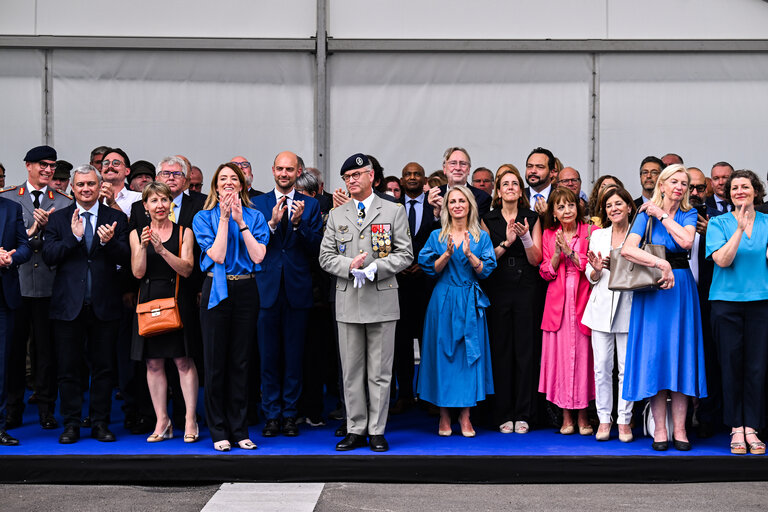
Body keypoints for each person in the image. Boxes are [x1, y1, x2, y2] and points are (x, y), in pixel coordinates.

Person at [318, 153, 413, 452]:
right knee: (352, 370)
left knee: (380, 371)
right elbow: (325, 257)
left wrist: (376, 268)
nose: (351, 180)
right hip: (349, 301)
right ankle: (355, 427)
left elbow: (405, 254)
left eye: (357, 175)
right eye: (347, 177)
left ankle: (377, 429)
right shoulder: (337, 215)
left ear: (372, 176)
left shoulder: (393, 211)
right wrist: (348, 265)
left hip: (381, 297)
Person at [621, 164, 706, 451]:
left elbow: (686, 241)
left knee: (680, 357)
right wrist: (660, 263)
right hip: (654, 288)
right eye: (675, 181)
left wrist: (663, 216)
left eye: (685, 183)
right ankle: (659, 429)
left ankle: (680, 429)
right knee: (657, 357)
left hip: (681, 290)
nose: (681, 187)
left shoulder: (689, 213)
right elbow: (627, 249)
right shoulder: (643, 213)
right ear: (662, 184)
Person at [42, 165, 130, 444]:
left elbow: (128, 256)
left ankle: (100, 422)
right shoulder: (58, 219)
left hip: (105, 305)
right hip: (69, 307)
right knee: (69, 368)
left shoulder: (115, 217)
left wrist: (109, 243)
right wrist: (75, 237)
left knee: (104, 369)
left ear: (99, 184)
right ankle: (71, 423)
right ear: (73, 188)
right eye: (80, 185)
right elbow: (49, 256)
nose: (86, 189)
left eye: (91, 184)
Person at [193, 163, 269, 451]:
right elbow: (218, 255)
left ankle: (240, 429)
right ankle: (218, 430)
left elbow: (259, 256)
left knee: (241, 362)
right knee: (215, 363)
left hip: (247, 289)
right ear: (215, 186)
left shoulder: (255, 216)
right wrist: (224, 219)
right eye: (222, 178)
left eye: (233, 179)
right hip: (216, 288)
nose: (228, 182)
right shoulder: (203, 217)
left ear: (242, 185)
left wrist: (240, 221)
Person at [0, 145, 72, 432]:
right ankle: (12, 410)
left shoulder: (65, 202)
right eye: (42, 164)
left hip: (49, 287)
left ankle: (46, 408)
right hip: (15, 286)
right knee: (13, 353)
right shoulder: (8, 198)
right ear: (28, 165)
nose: (48, 170)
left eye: (52, 166)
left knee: (47, 353)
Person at [251, 151, 323, 437]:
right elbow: (253, 247)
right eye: (279, 169)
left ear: (298, 172)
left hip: (297, 289)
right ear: (272, 170)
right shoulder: (257, 204)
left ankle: (291, 414)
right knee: (268, 356)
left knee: (294, 357)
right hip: (266, 288)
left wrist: (297, 225)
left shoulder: (312, 205)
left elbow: (317, 248)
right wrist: (271, 223)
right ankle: (271, 415)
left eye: (289, 169)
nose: (284, 173)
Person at [418, 185, 496, 437]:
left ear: (470, 205)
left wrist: (470, 255)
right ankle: (443, 416)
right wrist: (448, 254)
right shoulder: (436, 236)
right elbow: (430, 269)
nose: (458, 205)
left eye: (462, 201)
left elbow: (486, 270)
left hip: (469, 302)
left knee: (467, 358)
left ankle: (465, 417)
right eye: (453, 201)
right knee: (443, 357)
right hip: (443, 301)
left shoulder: (481, 236)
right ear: (446, 207)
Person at [129, 182, 199, 444]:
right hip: (148, 300)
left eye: (164, 200)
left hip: (177, 300)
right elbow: (137, 272)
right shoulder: (137, 233)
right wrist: (144, 247)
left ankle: (190, 419)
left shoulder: (184, 233)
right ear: (145, 206)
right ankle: (162, 420)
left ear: (171, 204)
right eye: (154, 201)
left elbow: (187, 269)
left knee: (183, 361)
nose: (160, 205)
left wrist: (161, 250)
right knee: (153, 363)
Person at [706, 170, 768, 455]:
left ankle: (752, 427)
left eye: (745, 186)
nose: (739, 191)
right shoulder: (718, 223)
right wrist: (740, 229)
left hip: (761, 302)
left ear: (756, 191)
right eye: (734, 188)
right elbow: (722, 260)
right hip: (725, 303)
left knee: (756, 367)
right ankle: (735, 428)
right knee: (730, 366)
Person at [481, 166, 541, 434]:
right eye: (505, 183)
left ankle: (524, 413)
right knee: (501, 349)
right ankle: (503, 412)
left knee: (526, 351)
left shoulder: (532, 216)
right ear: (498, 189)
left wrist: (525, 237)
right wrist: (507, 241)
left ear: (520, 190)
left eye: (515, 183)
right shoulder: (488, 219)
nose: (510, 187)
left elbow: (537, 259)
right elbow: (486, 260)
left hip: (527, 286)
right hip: (498, 286)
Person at [538, 187, 596, 436]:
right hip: (558, 305)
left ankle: (584, 415)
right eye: (560, 206)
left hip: (583, 299)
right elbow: (545, 272)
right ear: (553, 212)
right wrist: (558, 253)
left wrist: (570, 252)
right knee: (561, 361)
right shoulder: (550, 234)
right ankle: (566, 416)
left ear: (578, 206)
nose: (567, 210)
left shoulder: (591, 231)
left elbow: (591, 265)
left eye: (570, 205)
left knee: (584, 358)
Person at [582, 187, 636, 442]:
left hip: (630, 307)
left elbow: (644, 273)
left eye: (618, 204)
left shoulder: (638, 236)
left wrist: (618, 266)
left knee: (626, 369)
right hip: (601, 307)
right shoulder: (598, 236)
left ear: (628, 206)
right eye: (608, 206)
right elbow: (591, 276)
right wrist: (594, 270)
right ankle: (604, 419)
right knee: (602, 367)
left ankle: (625, 421)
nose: (613, 209)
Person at [391, 162, 435, 415]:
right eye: (407, 174)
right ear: (402, 178)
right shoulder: (392, 207)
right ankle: (405, 394)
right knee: (401, 344)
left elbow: (441, 236)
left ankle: (428, 396)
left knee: (428, 341)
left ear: (424, 178)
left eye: (417, 174)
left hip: (428, 284)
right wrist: (398, 266)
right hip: (398, 285)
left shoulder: (435, 205)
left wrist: (424, 265)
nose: (412, 177)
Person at [0, 196, 32, 446]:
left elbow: (25, 246)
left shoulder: (11, 208)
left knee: (2, 366)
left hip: (4, 298)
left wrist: (11, 257)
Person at [427, 147, 492, 218]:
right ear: (444, 169)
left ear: (469, 170)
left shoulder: (483, 197)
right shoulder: (433, 195)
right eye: (453, 163)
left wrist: (445, 209)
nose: (458, 168)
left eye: (463, 164)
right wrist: (436, 215)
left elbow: (477, 227)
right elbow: (425, 228)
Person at [99, 147, 142, 217]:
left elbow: (136, 226)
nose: (110, 166)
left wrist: (113, 204)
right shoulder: (92, 197)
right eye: (106, 163)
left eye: (116, 163)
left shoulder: (138, 198)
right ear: (101, 171)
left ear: (127, 171)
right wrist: (97, 204)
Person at [524, 147, 555, 216]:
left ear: (551, 172)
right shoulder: (518, 196)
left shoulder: (560, 197)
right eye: (530, 166)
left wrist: (549, 216)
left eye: (540, 167)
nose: (533, 171)